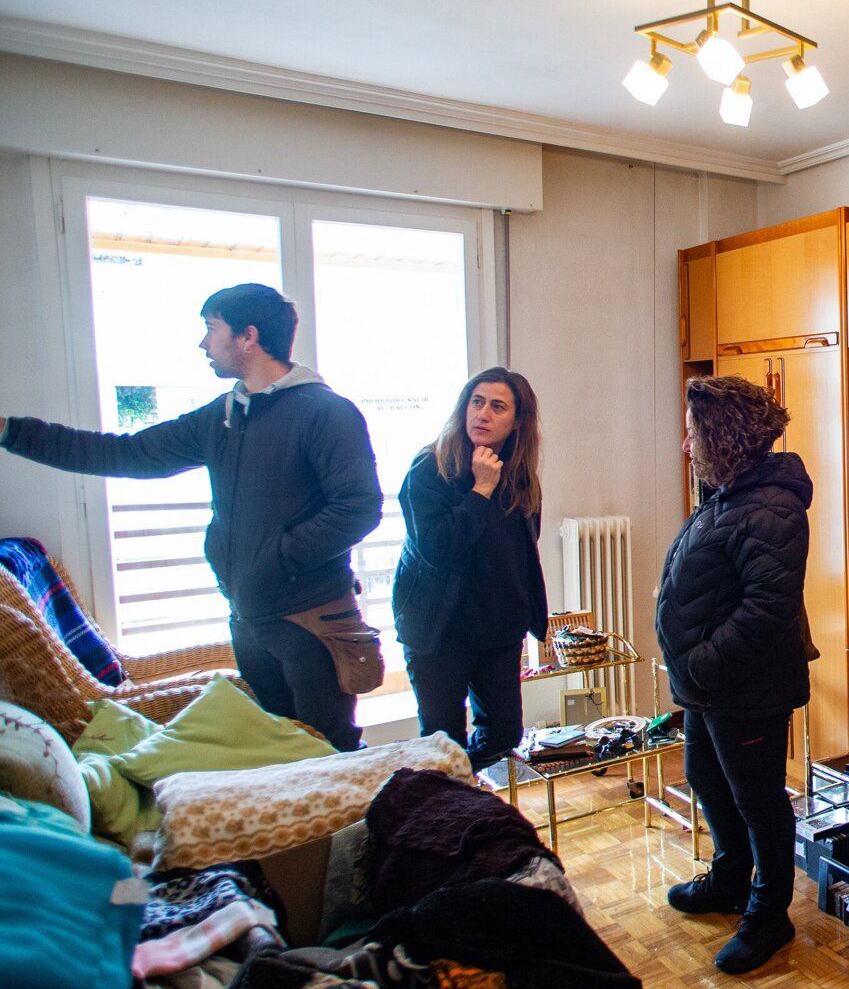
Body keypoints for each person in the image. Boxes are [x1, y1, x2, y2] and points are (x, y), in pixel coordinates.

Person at [0, 283, 381, 749]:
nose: (203, 343)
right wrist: (10, 432)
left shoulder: (327, 412)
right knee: (284, 753)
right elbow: (128, 453)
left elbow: (358, 507)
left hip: (310, 624)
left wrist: (278, 557)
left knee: (333, 753)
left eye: (211, 328)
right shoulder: (223, 416)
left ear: (247, 336)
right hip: (249, 620)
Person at [655, 374, 812, 975]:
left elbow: (766, 609)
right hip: (710, 687)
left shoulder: (771, 507)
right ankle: (728, 878)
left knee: (759, 800)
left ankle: (769, 914)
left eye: (692, 434)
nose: (686, 446)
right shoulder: (731, 496)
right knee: (705, 775)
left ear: (720, 439)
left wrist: (699, 662)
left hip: (743, 687)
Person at [391, 368, 548, 771]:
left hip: (497, 631)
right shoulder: (430, 469)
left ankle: (473, 793)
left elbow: (524, 546)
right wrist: (480, 490)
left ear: (517, 421)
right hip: (439, 631)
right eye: (477, 402)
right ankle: (455, 807)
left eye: (498, 407)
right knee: (443, 745)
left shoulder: (519, 476)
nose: (483, 414)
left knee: (504, 736)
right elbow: (437, 550)